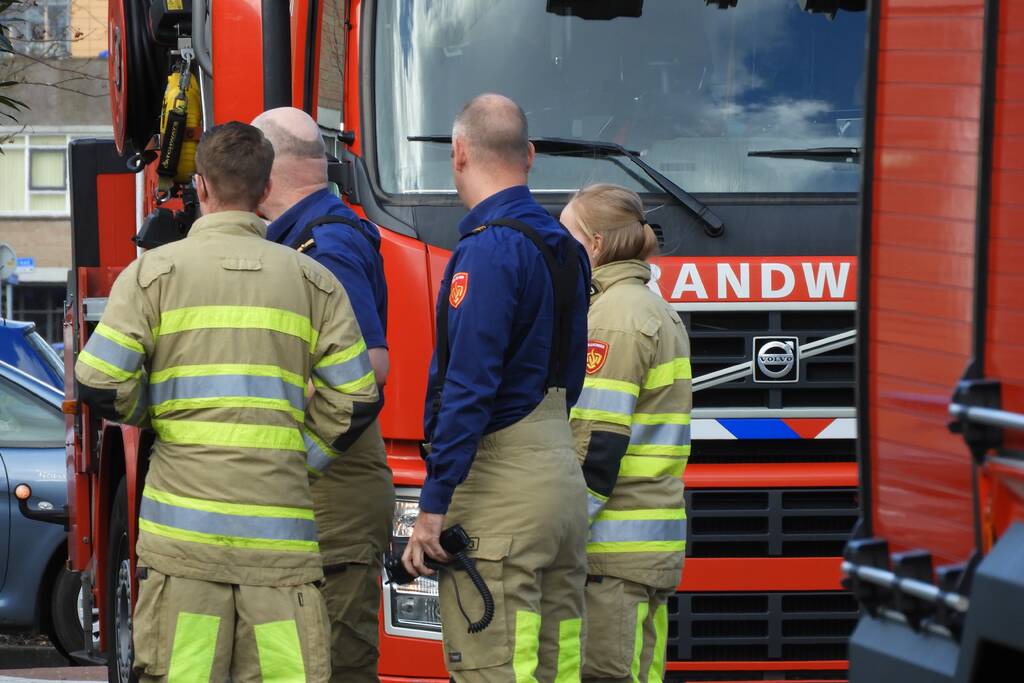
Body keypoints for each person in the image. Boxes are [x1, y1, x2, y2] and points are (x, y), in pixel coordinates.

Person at [74, 121, 382, 682]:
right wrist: (300, 456)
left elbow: (97, 382)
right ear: (265, 190)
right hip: (280, 544)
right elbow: (358, 397)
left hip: (185, 547)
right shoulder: (314, 282)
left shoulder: (153, 276)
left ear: (201, 187)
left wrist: (158, 414)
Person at [401, 93, 591, 682]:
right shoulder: (566, 248)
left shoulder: (486, 250)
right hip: (562, 480)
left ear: (458, 153)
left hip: (502, 487)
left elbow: (469, 389)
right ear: (529, 156)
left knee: (493, 668)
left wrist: (431, 509)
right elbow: (574, 372)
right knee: (555, 668)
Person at [251, 106, 394, 683]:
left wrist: (302, 457)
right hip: (327, 497)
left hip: (334, 498)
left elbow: (372, 368)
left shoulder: (324, 246)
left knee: (334, 665)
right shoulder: (307, 237)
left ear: (267, 172)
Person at [560, 184, 691, 683]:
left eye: (566, 233)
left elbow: (597, 444)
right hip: (640, 551)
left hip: (610, 554)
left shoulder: (614, 318)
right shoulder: (651, 306)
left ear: (593, 244)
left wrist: (561, 529)